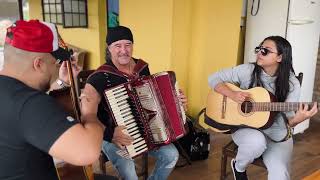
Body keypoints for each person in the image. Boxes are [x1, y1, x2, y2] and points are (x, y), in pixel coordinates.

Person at [0, 20, 104, 180]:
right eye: (55, 63)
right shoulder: (29, 103)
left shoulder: (11, 93)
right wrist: (90, 113)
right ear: (39, 64)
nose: (57, 67)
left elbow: (28, 121)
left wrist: (62, 82)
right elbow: (87, 152)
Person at [208, 36, 318, 180]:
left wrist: (297, 120)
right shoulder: (248, 70)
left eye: (265, 51)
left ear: (280, 57)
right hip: (245, 127)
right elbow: (213, 78)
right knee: (256, 142)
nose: (259, 53)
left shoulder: (292, 84)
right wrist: (232, 94)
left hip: (277, 133)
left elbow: (288, 122)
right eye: (259, 49)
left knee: (280, 175)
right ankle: (239, 167)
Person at [86, 26, 188, 180]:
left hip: (146, 132)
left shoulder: (142, 68)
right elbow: (87, 116)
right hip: (110, 135)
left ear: (133, 45)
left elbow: (153, 100)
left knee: (172, 155)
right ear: (109, 48)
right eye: (117, 46)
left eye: (128, 44)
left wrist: (178, 103)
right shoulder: (98, 78)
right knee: (129, 171)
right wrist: (110, 134)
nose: (123, 50)